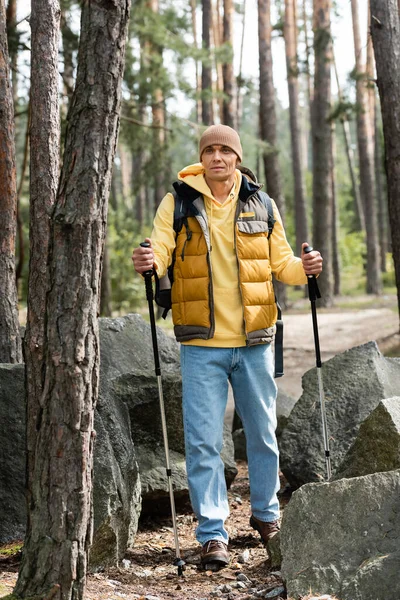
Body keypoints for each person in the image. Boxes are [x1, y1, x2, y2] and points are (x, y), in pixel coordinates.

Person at [132, 124, 323, 569]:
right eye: (209, 150)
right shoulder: (178, 200)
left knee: (261, 434)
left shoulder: (261, 202)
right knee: (202, 442)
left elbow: (283, 265)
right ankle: (213, 534)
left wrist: (307, 266)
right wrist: (149, 261)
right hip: (201, 343)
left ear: (236, 157)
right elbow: (159, 249)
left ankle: (266, 517)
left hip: (256, 340)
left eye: (224, 149)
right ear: (201, 158)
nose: (216, 156)